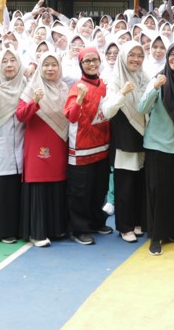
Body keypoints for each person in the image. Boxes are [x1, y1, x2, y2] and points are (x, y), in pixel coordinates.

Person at [140, 41, 174, 255]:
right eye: (173, 55)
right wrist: (154, 88)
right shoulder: (158, 79)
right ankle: (156, 236)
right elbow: (141, 107)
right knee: (158, 193)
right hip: (158, 146)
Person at [16, 52, 70, 248]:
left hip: (59, 142)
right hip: (38, 142)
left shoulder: (64, 88)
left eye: (53, 65)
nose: (50, 69)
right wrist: (35, 102)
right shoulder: (32, 88)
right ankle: (37, 232)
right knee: (39, 183)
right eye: (46, 65)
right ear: (40, 67)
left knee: (57, 182)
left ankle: (56, 229)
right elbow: (21, 116)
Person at [101, 41, 150, 243]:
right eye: (132, 55)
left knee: (140, 183)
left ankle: (138, 221)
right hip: (124, 139)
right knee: (124, 186)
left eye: (139, 55)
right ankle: (124, 226)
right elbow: (107, 111)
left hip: (144, 138)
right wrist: (122, 94)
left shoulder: (145, 78)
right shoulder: (114, 80)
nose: (136, 59)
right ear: (123, 57)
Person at [63, 47, 112, 245]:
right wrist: (80, 99)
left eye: (94, 60)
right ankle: (79, 229)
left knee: (99, 189)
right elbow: (70, 116)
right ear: (81, 65)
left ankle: (95, 221)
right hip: (81, 148)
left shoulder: (105, 85)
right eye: (87, 61)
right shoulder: (77, 87)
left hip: (102, 147)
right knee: (80, 192)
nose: (91, 64)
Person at [0, 48, 27, 243]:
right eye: (5, 61)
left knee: (15, 190)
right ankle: (1, 230)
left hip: (20, 144)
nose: (9, 65)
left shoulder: (26, 85)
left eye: (13, 60)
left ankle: (17, 228)